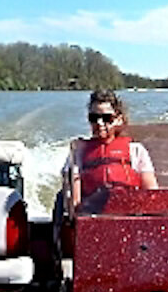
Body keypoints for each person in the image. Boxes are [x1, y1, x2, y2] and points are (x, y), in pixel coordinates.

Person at [61, 89, 159, 219]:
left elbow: (151, 193)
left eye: (106, 118)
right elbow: (75, 202)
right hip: (92, 219)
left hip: (130, 216)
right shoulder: (78, 152)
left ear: (118, 119)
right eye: (94, 118)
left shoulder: (136, 150)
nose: (100, 123)